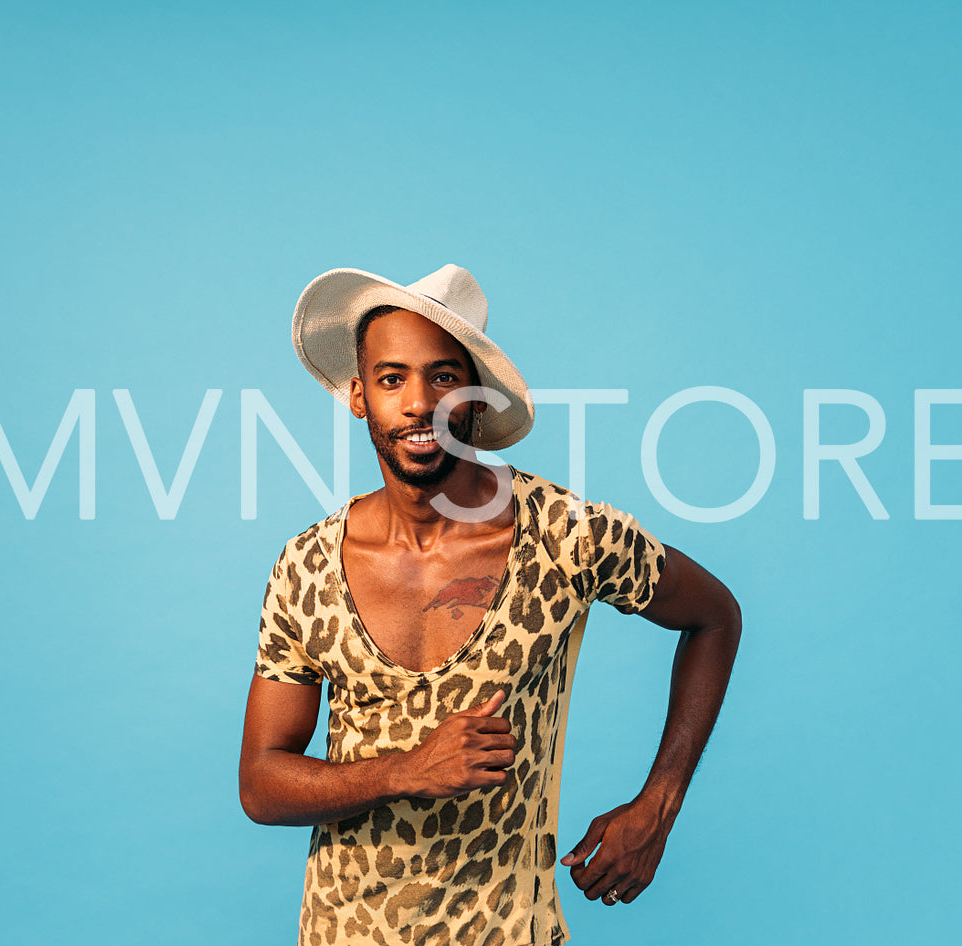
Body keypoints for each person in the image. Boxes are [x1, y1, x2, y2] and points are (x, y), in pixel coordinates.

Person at [239, 264, 742, 946]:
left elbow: (713, 616)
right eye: (392, 379)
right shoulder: (306, 566)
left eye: (442, 377)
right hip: (341, 931)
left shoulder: (566, 535)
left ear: (474, 396)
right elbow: (262, 783)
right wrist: (405, 771)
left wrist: (659, 805)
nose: (418, 403)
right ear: (359, 396)